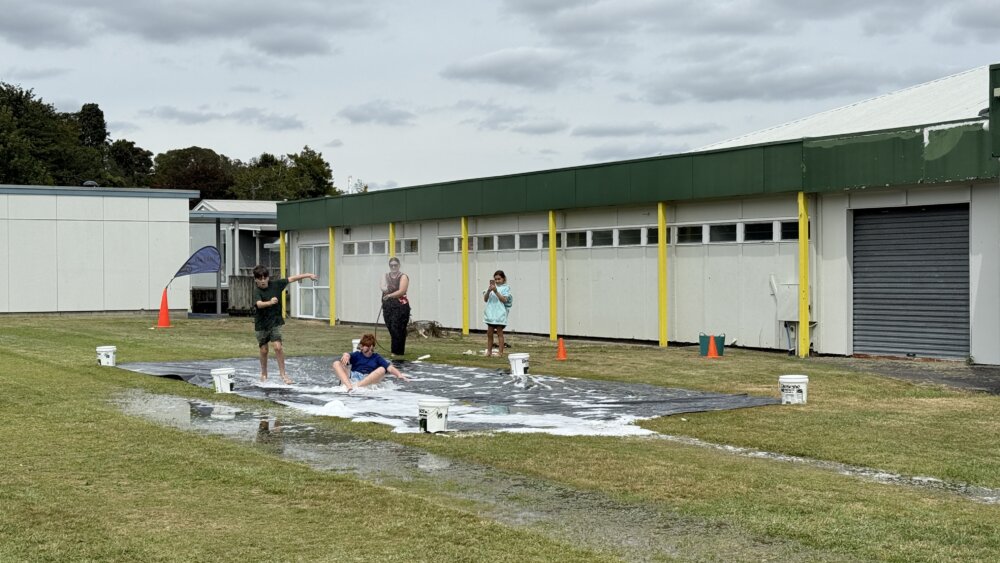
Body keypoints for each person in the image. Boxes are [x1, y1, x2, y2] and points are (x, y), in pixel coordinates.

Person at [252, 265, 317, 384]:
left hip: (275, 322)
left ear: (268, 278)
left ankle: (283, 374)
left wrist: (308, 275)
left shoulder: (276, 285)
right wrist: (270, 302)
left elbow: (291, 279)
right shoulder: (257, 291)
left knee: (278, 347)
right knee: (264, 350)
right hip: (261, 324)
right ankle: (264, 374)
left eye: (265, 278)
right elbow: (259, 304)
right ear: (256, 279)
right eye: (260, 279)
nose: (263, 281)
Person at [332, 333, 409, 391]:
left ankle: (357, 386)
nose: (369, 351)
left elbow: (389, 367)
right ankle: (349, 387)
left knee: (382, 369)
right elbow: (347, 356)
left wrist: (399, 374)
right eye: (367, 349)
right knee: (336, 363)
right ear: (361, 347)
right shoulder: (357, 355)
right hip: (354, 378)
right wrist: (346, 355)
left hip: (368, 379)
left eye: (371, 349)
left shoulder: (377, 357)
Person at [380, 257, 411, 356]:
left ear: (399, 265)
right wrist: (386, 290)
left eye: (395, 265)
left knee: (397, 328)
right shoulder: (385, 275)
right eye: (391, 265)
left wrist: (389, 295)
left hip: (400, 306)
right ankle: (398, 351)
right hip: (388, 306)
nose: (393, 267)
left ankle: (396, 351)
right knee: (391, 327)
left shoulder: (403, 276)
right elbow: (382, 287)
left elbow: (401, 291)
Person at [483, 270, 513, 357]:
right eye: (495, 279)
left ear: (503, 279)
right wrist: (489, 291)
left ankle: (500, 352)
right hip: (490, 314)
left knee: (499, 333)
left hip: (499, 314)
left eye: (499, 279)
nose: (497, 281)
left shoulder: (506, 288)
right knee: (489, 333)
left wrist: (496, 291)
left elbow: (504, 300)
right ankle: (489, 351)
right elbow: (485, 299)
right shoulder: (491, 288)